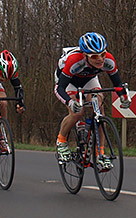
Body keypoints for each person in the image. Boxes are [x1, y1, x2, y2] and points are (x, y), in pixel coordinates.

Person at [54, 32, 130, 170]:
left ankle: (100, 153)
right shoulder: (74, 61)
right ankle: (61, 141)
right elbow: (59, 89)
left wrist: (123, 96)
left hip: (89, 79)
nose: (100, 59)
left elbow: (117, 84)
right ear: (84, 55)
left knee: (99, 109)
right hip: (68, 82)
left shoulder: (109, 60)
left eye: (103, 54)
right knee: (77, 112)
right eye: (95, 56)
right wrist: (69, 102)